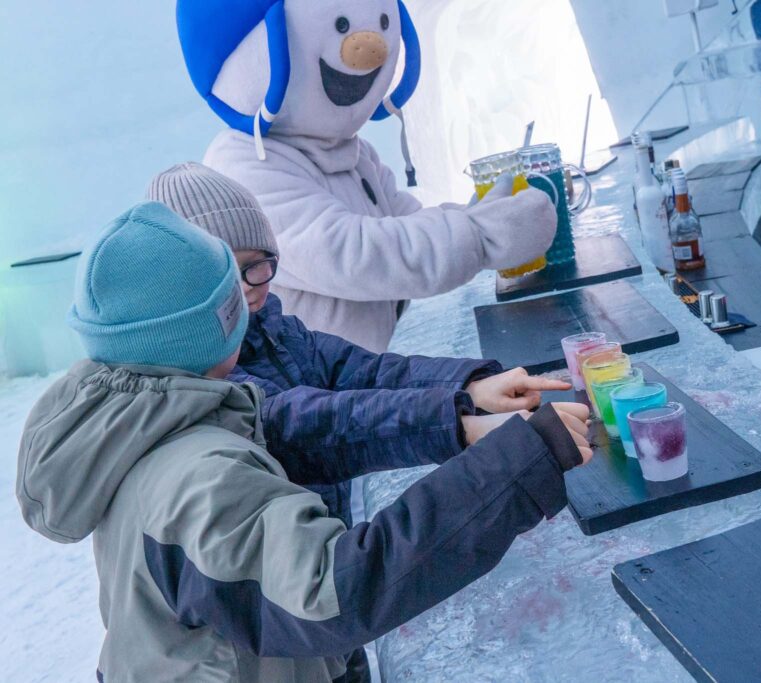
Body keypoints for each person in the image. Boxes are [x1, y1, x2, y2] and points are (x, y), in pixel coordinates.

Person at [17, 201, 592, 683]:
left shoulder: (144, 418)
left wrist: (462, 394)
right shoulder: (199, 472)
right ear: (208, 327)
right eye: (231, 295)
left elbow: (352, 379)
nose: (249, 298)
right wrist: (520, 460)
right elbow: (339, 586)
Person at [146, 162, 570, 528]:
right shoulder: (197, 375)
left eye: (256, 263)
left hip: (322, 535)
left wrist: (473, 385)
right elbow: (306, 424)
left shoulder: (274, 329)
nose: (248, 286)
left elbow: (368, 372)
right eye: (225, 272)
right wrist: (457, 423)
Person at [177, 0, 558, 352]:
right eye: (342, 25)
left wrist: (478, 215)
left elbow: (403, 218)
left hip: (370, 373)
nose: (372, 47)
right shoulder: (242, 165)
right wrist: (481, 237)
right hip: (318, 398)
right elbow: (352, 254)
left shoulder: (346, 149)